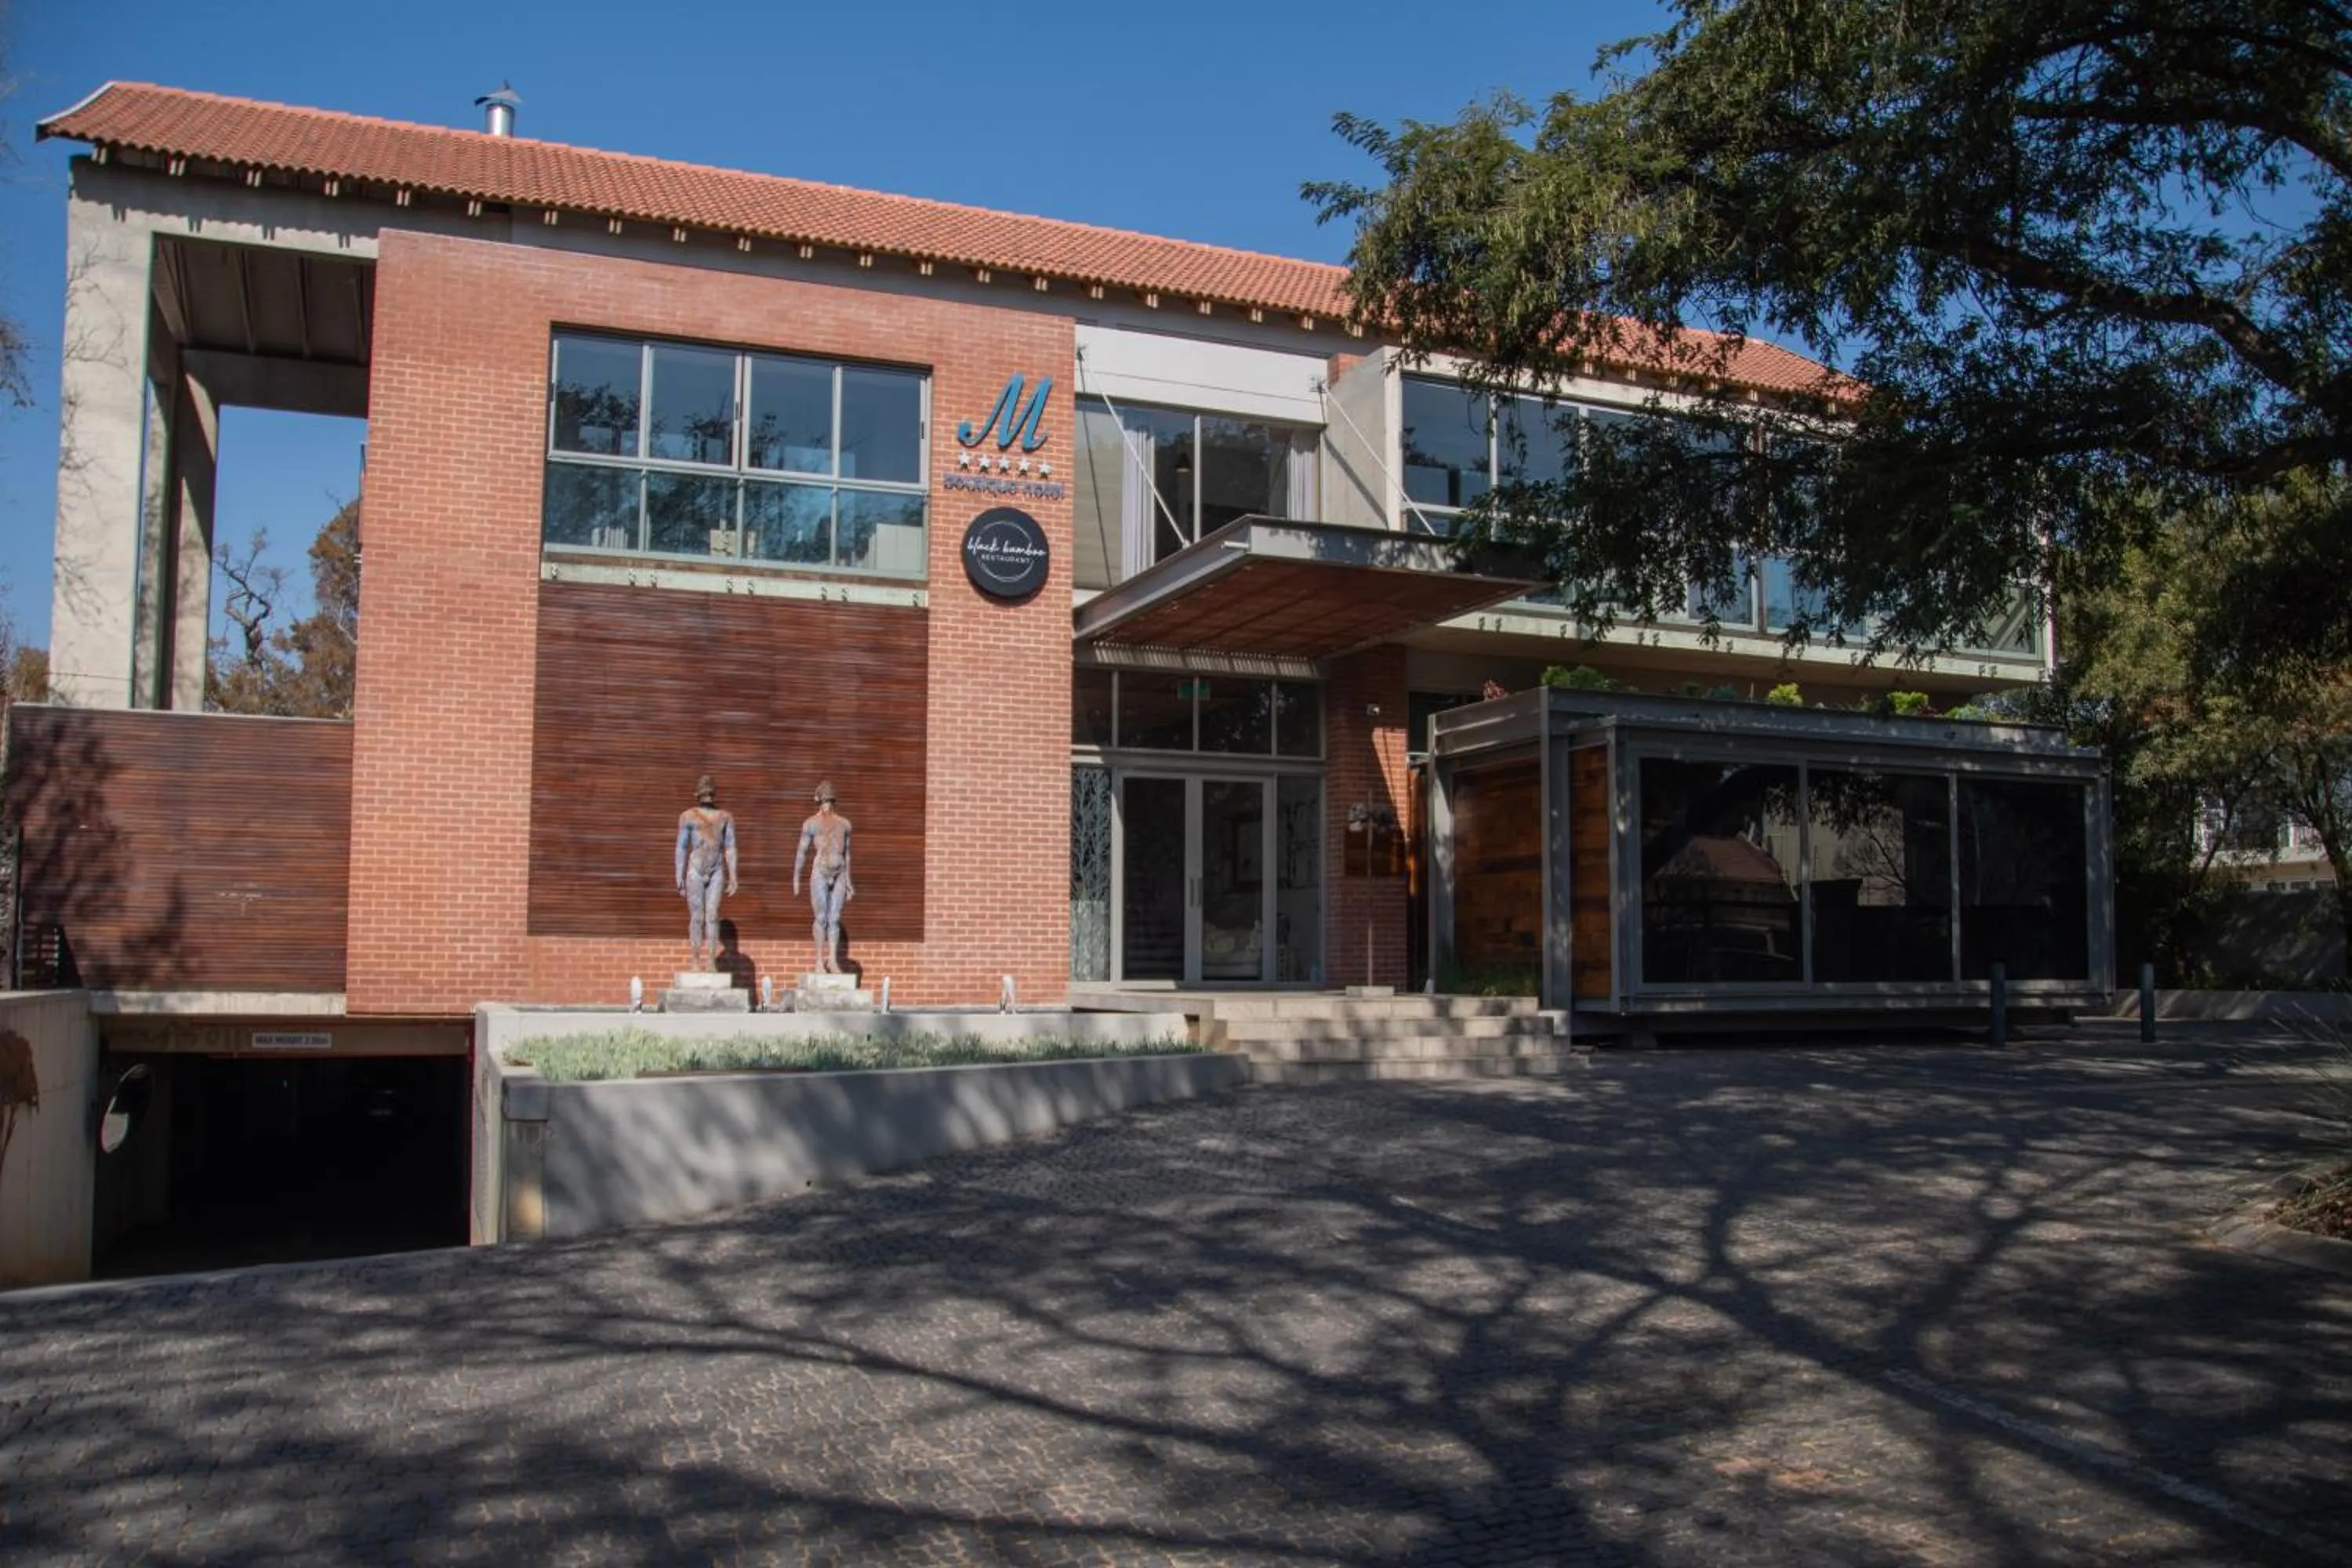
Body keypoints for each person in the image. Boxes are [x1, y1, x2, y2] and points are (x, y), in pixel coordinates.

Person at [674, 774, 739, 972]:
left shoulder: (725, 817)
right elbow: (681, 846)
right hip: (695, 867)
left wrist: (734, 875)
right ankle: (695, 960)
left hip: (716, 868)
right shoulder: (688, 816)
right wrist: (679, 874)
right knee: (697, 917)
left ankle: (710, 960)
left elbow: (730, 846)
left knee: (712, 915)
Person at [791, 780, 854, 975]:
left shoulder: (844, 824)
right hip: (820, 870)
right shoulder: (811, 823)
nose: (826, 801)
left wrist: (849, 881)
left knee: (834, 918)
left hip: (840, 872)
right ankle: (819, 960)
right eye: (823, 797)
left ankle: (832, 960)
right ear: (819, 799)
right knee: (821, 917)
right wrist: (796, 877)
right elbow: (802, 851)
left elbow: (847, 854)